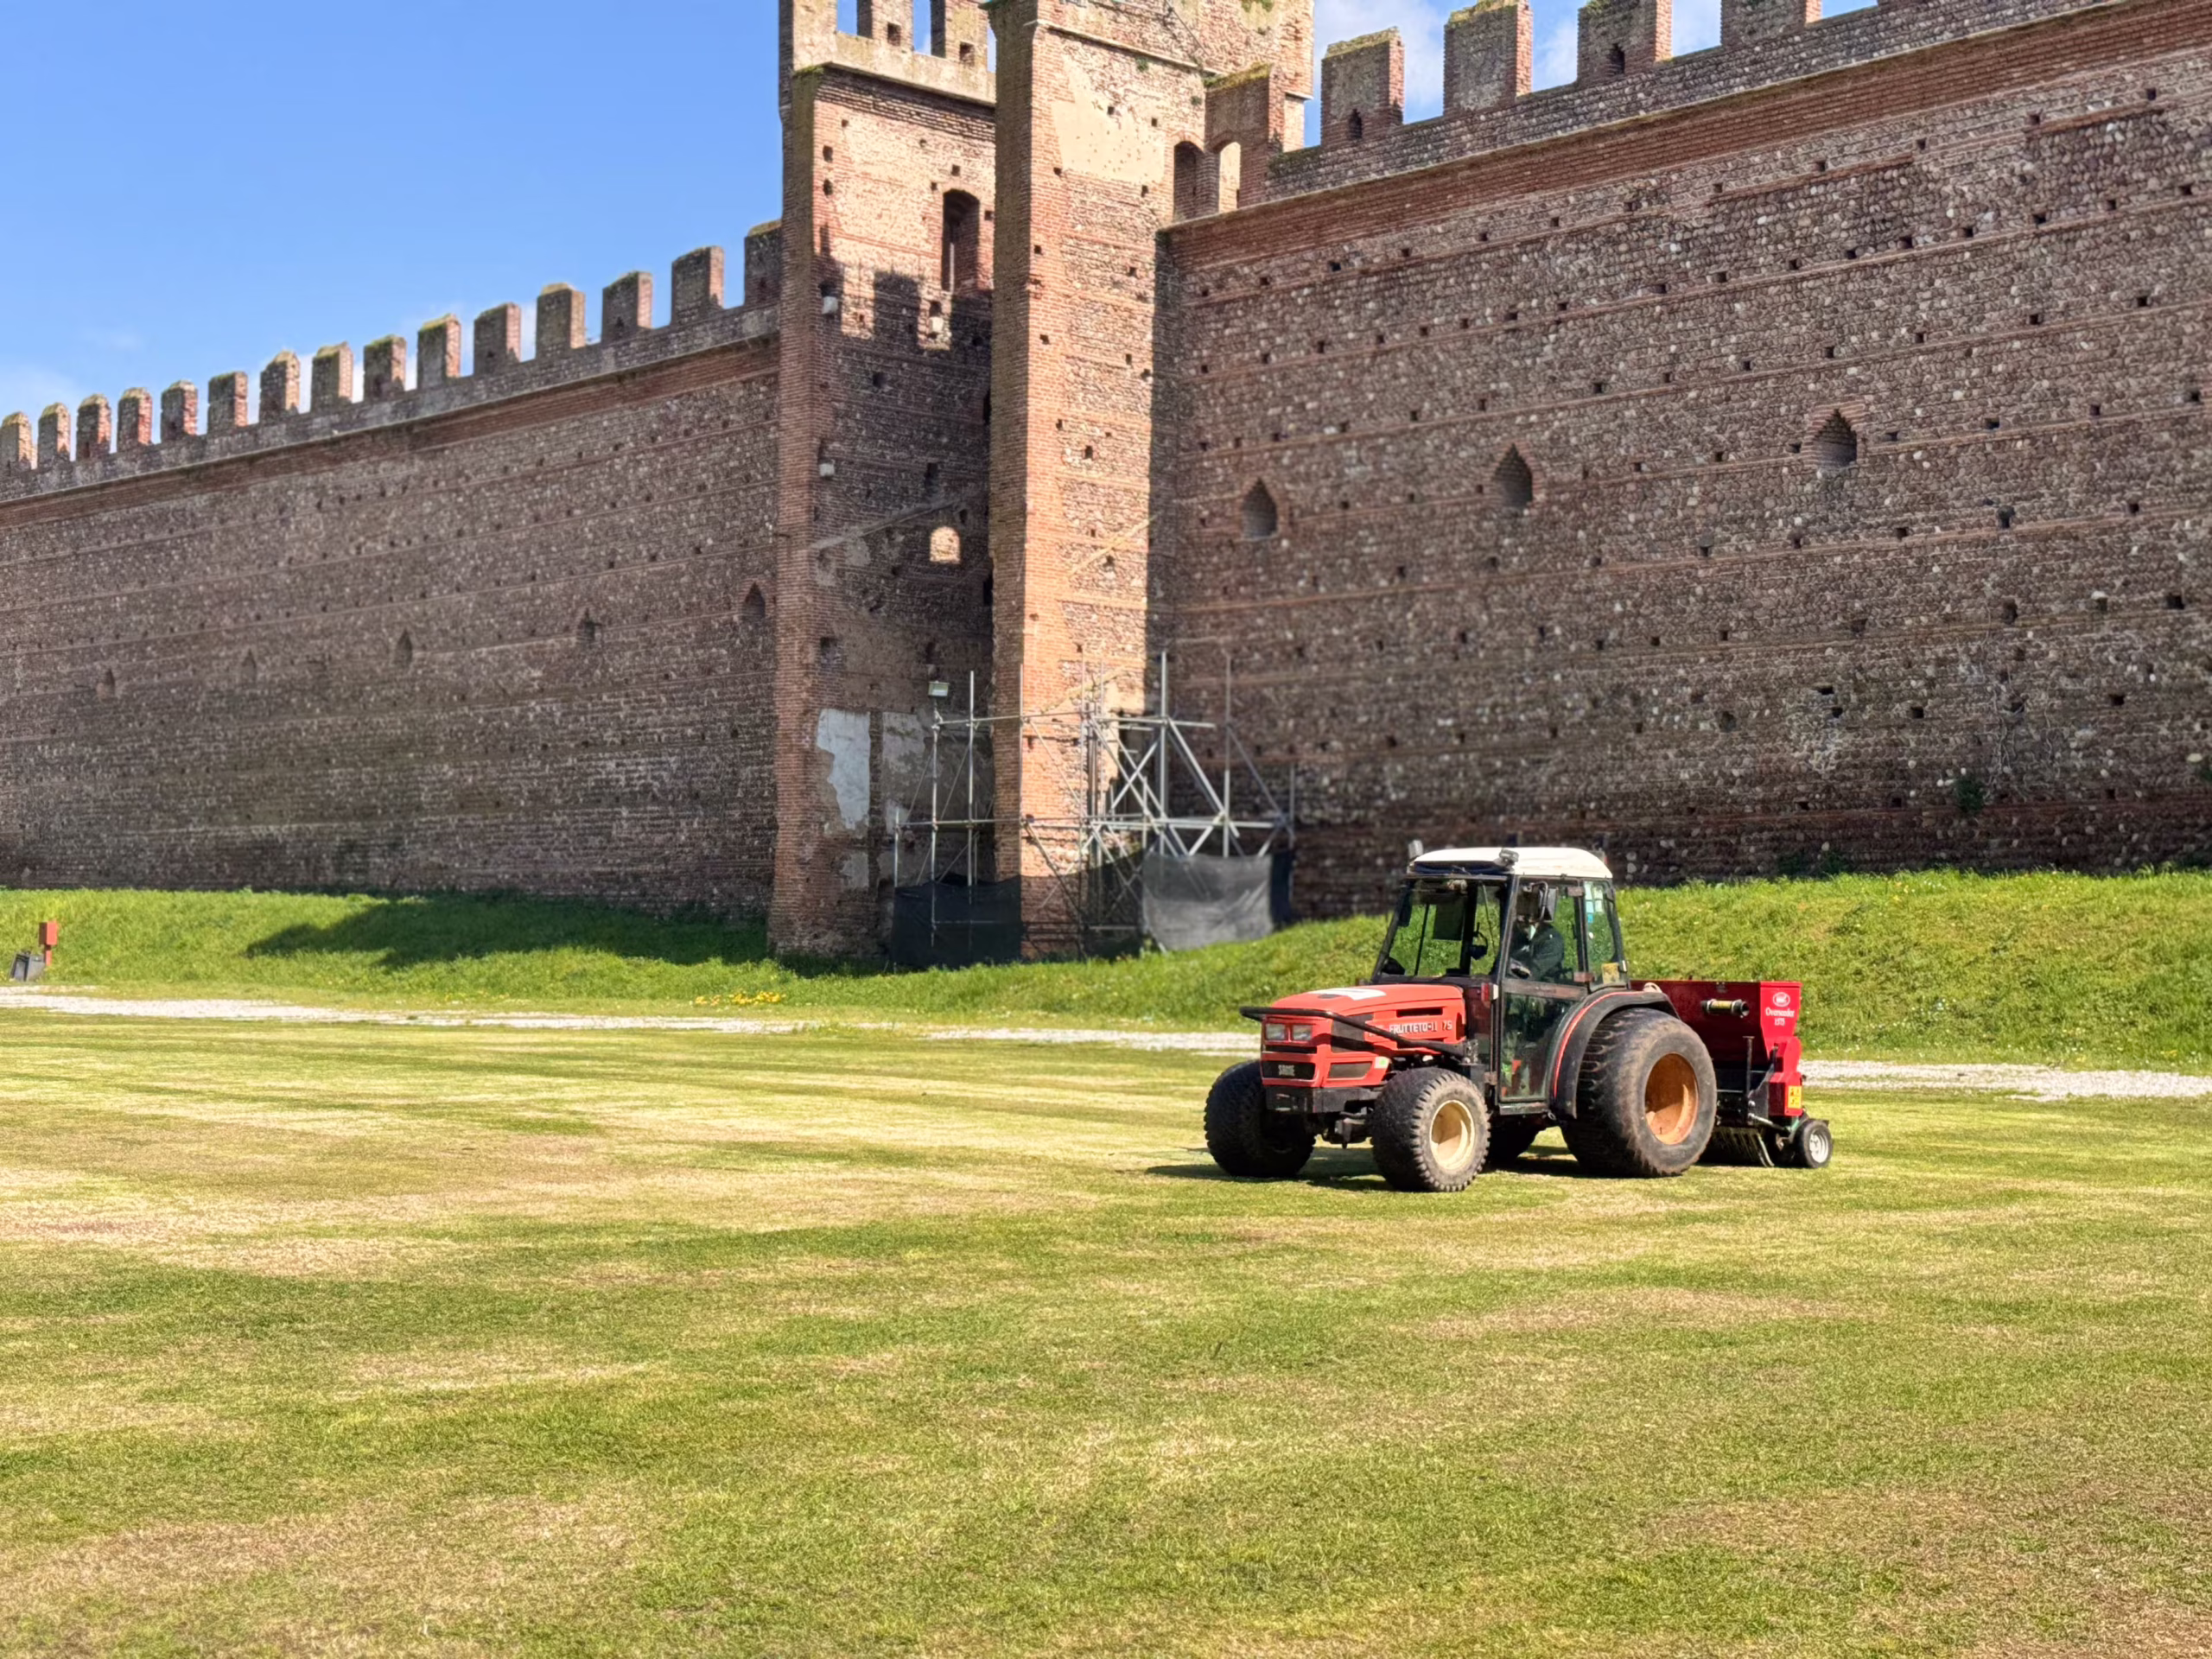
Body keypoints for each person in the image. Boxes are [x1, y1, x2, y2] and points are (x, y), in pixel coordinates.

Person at [1509, 885, 1568, 983]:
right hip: (1513, 986)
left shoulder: (1551, 941)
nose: (1519, 917)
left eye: (1524, 910)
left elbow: (1529, 975)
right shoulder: (1516, 935)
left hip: (1541, 989)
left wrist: (1507, 966)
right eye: (1518, 909)